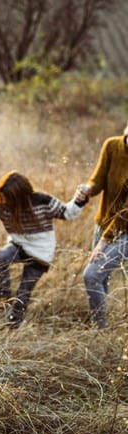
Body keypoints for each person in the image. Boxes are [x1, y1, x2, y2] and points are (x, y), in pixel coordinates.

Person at [0, 171, 87, 328]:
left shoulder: (42, 201)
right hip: (19, 245)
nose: (5, 201)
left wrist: (79, 200)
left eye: (9, 198)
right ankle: (2, 295)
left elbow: (67, 213)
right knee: (2, 256)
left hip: (41, 253)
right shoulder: (3, 205)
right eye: (3, 197)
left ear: (21, 196)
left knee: (24, 291)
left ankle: (12, 325)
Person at [81, 122, 128, 328]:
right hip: (103, 223)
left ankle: (101, 331)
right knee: (102, 279)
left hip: (124, 231)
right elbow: (98, 180)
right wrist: (87, 189)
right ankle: (102, 325)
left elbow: (125, 214)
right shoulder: (112, 146)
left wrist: (103, 241)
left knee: (91, 276)